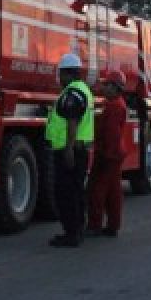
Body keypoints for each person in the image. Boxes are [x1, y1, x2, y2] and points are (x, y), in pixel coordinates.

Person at [47, 52, 95, 248]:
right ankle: (78, 229)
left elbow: (72, 122)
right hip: (80, 149)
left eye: (61, 74)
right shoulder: (83, 89)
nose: (59, 78)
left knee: (66, 193)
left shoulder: (72, 93)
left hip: (71, 149)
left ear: (68, 74)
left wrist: (68, 150)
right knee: (76, 190)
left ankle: (71, 233)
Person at [88, 71, 128, 238]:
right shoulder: (118, 104)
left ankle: (94, 225)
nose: (103, 88)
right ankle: (113, 225)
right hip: (114, 154)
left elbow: (111, 134)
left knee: (97, 190)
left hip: (108, 154)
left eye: (106, 85)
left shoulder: (113, 107)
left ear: (114, 87)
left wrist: (105, 154)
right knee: (113, 191)